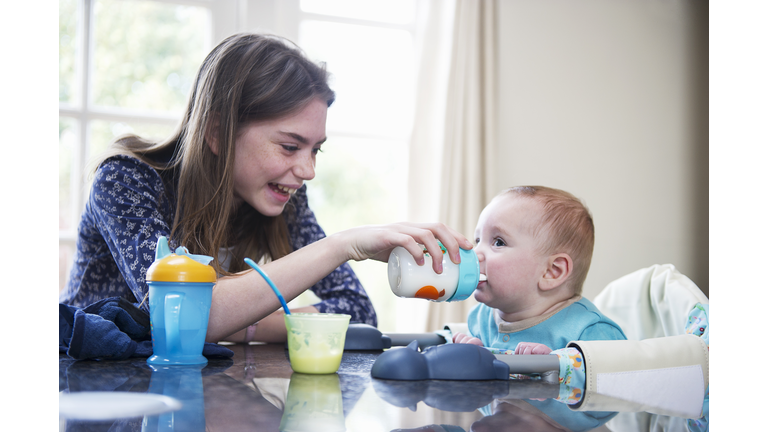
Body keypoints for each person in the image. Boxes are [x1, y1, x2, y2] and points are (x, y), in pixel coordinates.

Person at [60, 32, 472, 344]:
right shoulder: (127, 182)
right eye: (290, 146)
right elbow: (184, 316)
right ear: (218, 132)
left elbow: (357, 311)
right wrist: (341, 245)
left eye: (316, 151)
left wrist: (244, 324)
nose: (307, 170)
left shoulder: (278, 195)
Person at [452, 186, 626, 354]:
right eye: (477, 240)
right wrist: (471, 350)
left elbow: (619, 377)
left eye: (498, 242)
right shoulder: (480, 317)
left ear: (551, 272)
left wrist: (557, 367)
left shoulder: (591, 333)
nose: (475, 253)